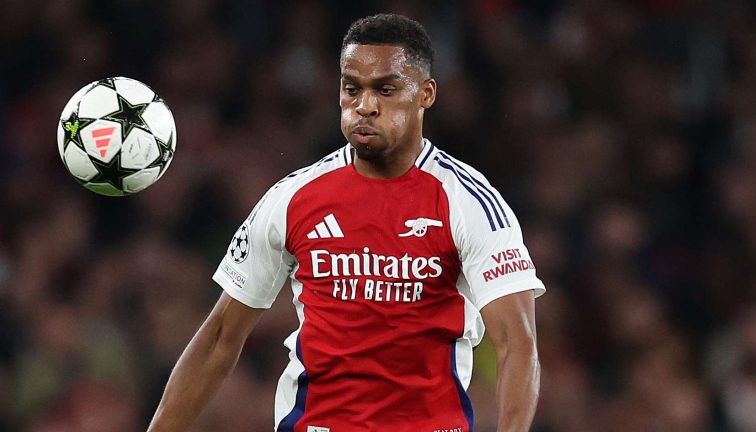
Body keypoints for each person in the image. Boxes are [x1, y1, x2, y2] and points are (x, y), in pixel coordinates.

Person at [148, 13, 545, 432]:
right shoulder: (293, 197)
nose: (365, 106)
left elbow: (517, 345)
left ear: (426, 94)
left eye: (386, 89)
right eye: (352, 88)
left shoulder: (468, 202)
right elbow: (219, 339)